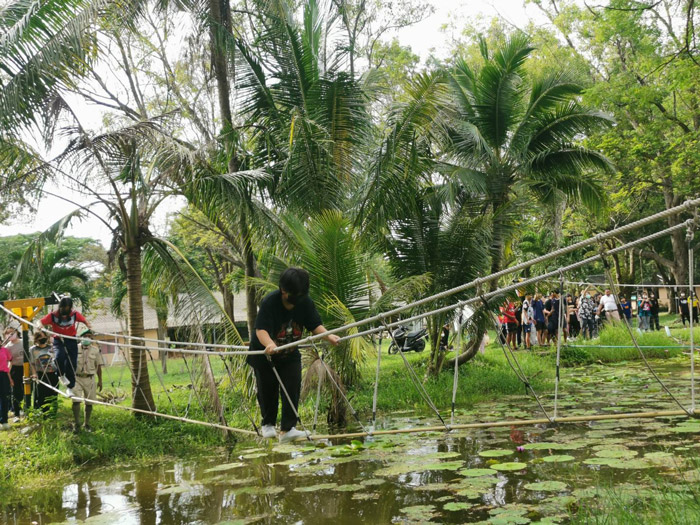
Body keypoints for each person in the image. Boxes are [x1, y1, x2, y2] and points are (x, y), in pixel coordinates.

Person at [246, 268, 340, 442]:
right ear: (284, 291)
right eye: (295, 294)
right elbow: (261, 330)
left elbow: (314, 324)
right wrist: (270, 344)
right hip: (265, 355)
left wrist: (329, 336)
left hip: (289, 353)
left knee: (292, 386)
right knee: (268, 390)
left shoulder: (305, 302)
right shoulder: (270, 302)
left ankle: (288, 428)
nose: (298, 298)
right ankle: (268, 424)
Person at [40, 296, 92, 398]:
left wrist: (89, 326)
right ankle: (61, 375)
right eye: (64, 308)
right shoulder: (53, 315)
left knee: (71, 363)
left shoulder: (74, 314)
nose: (65, 310)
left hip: (71, 339)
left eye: (68, 308)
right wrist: (40, 326)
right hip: (58, 340)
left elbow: (85, 320)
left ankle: (70, 387)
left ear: (70, 307)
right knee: (59, 357)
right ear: (60, 307)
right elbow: (40, 321)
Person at [71, 335, 104, 432]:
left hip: (89, 378)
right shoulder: (74, 348)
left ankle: (87, 424)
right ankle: (77, 423)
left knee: (89, 402)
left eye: (89, 337)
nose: (87, 338)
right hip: (76, 377)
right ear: (81, 337)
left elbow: (98, 366)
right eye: (85, 336)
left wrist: (100, 380)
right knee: (76, 400)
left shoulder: (95, 350)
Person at [30, 331, 59, 418]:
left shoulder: (52, 348)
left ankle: (52, 414)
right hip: (41, 374)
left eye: (44, 337)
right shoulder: (33, 349)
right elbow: (32, 363)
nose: (42, 339)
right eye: (40, 337)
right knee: (41, 395)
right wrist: (34, 374)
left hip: (53, 374)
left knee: (53, 394)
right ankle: (42, 414)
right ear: (36, 339)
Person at [4, 327, 25, 422]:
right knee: (16, 391)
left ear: (16, 332)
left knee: (27, 389)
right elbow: (9, 361)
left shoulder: (23, 342)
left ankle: (26, 409)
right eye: (8, 333)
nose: (10, 335)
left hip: (26, 367)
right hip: (15, 369)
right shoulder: (8, 347)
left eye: (12, 333)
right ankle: (16, 412)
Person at [0, 342, 12, 430]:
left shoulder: (4, 350)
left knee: (4, 398)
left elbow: (9, 362)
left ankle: (4, 420)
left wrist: (10, 378)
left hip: (3, 375)